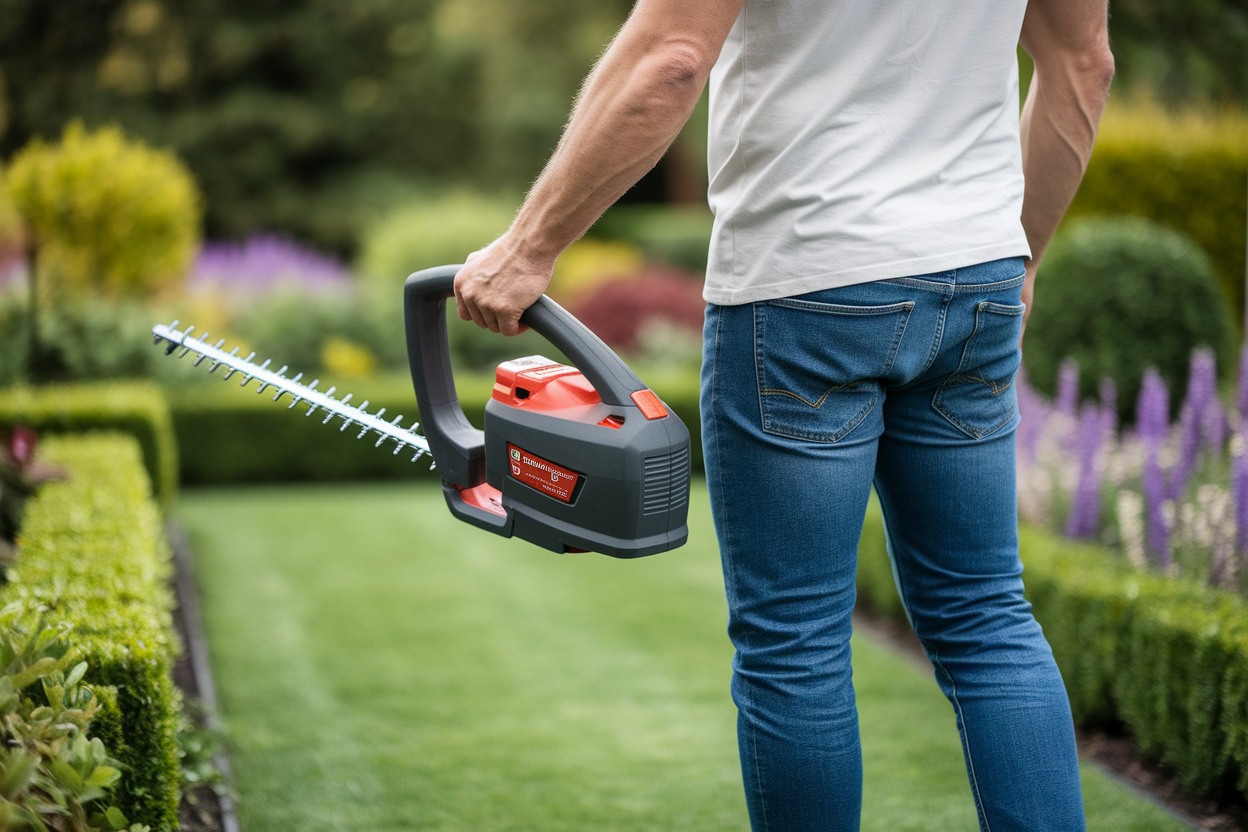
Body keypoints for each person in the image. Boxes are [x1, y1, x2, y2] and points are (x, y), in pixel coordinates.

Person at [454, 0, 1114, 828]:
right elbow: (1084, 64)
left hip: (808, 282)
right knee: (986, 616)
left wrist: (527, 248)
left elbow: (671, 57)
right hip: (973, 273)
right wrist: (1022, 255)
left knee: (794, 645)